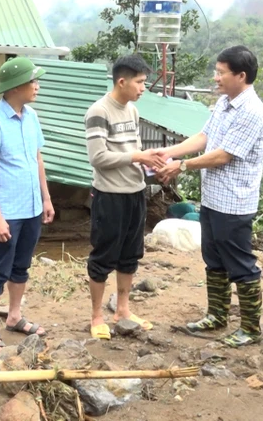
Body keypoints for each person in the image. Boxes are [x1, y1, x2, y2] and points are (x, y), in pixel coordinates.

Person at [156, 45, 263, 348]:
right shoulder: (224, 103)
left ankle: (250, 328)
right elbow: (205, 137)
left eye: (221, 72)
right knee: (214, 260)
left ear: (240, 75)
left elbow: (223, 155)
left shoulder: (252, 111)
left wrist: (182, 165)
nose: (215, 77)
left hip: (234, 202)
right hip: (213, 199)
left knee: (241, 264)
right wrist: (169, 152)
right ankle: (217, 315)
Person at [0, 56, 55, 348]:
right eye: (33, 81)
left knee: (22, 265)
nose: (37, 86)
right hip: (7, 211)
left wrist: (46, 198)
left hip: (32, 207)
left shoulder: (31, 116)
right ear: (15, 86)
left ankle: (15, 316)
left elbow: (37, 159)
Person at [84, 54, 165, 340]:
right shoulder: (99, 111)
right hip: (109, 195)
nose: (143, 88)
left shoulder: (131, 110)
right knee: (103, 256)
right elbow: (98, 157)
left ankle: (123, 310)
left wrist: (152, 163)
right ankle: (96, 316)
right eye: (140, 82)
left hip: (135, 192)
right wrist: (137, 156)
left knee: (131, 255)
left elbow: (134, 151)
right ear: (122, 81)